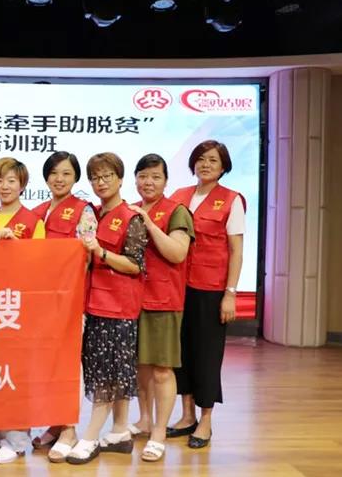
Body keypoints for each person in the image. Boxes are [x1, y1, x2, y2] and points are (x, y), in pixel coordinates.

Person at [63, 152, 147, 465]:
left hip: (118, 308)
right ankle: (120, 432)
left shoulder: (131, 217)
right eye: (95, 177)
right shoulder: (92, 214)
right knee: (110, 371)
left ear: (120, 179)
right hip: (94, 304)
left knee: (106, 376)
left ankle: (89, 437)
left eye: (107, 176)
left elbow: (136, 265)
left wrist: (101, 252)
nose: (101, 182)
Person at [167, 140, 245, 449]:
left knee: (208, 355)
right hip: (177, 286)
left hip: (211, 290)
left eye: (213, 160)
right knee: (182, 352)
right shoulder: (179, 196)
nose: (206, 164)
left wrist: (230, 294)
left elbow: (236, 251)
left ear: (224, 166)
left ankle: (206, 420)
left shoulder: (231, 200)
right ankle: (187, 415)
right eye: (200, 159)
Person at [126, 154, 194, 462]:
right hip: (131, 298)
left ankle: (159, 433)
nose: (148, 182)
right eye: (142, 176)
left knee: (162, 369)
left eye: (155, 176)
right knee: (141, 365)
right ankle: (144, 420)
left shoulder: (177, 211)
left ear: (166, 181)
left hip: (163, 300)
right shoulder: (129, 209)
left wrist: (150, 224)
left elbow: (178, 253)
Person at [0, 157, 46, 465]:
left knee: (15, 372)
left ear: (22, 185)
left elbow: (40, 266)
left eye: (11, 181)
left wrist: (15, 246)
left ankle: (16, 439)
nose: (4, 186)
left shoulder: (33, 221)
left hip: (18, 307)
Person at [29, 151, 90, 456]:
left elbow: (87, 257)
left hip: (70, 300)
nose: (59, 179)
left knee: (68, 364)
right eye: (54, 173)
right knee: (47, 365)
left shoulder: (83, 210)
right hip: (40, 302)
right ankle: (54, 424)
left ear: (75, 177)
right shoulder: (36, 212)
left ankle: (69, 429)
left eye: (66, 173)